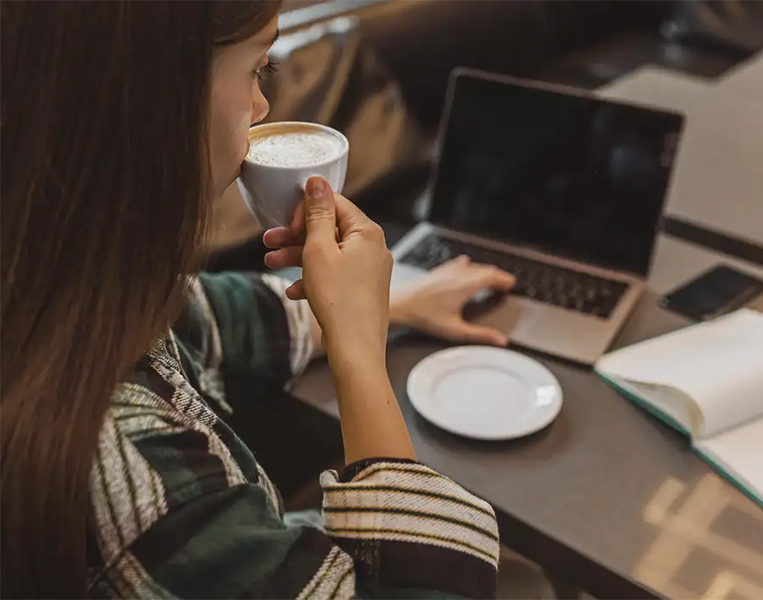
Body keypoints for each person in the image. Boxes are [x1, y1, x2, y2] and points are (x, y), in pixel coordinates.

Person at [1, 2, 517, 598]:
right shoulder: (144, 488)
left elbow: (207, 317)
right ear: (154, 98)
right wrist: (358, 351)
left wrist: (394, 303)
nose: (260, 107)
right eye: (256, 70)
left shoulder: (63, 287)